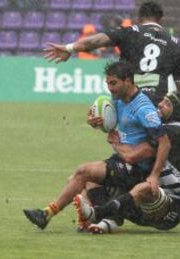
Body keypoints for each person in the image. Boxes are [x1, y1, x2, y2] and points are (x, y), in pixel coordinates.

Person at [23, 61, 171, 230]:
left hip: (136, 167)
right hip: (121, 159)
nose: (110, 88)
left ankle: (49, 214)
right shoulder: (119, 100)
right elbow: (108, 121)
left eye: (113, 83)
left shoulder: (143, 108)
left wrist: (154, 175)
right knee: (80, 180)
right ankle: (106, 218)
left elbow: (164, 142)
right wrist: (96, 121)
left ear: (128, 81)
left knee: (83, 172)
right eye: (107, 83)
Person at [75, 91, 180, 234]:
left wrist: (115, 140)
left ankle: (98, 213)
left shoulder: (171, 131)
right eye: (163, 100)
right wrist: (101, 120)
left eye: (167, 104)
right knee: (91, 179)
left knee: (144, 187)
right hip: (148, 203)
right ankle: (109, 220)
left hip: (171, 208)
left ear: (176, 112)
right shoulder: (167, 123)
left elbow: (132, 154)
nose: (160, 104)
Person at [43, 1, 180, 105]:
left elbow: (96, 41)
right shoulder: (176, 44)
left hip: (129, 100)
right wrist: (178, 121)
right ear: (161, 20)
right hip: (157, 104)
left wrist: (70, 48)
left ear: (138, 19)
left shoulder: (129, 31)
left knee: (128, 144)